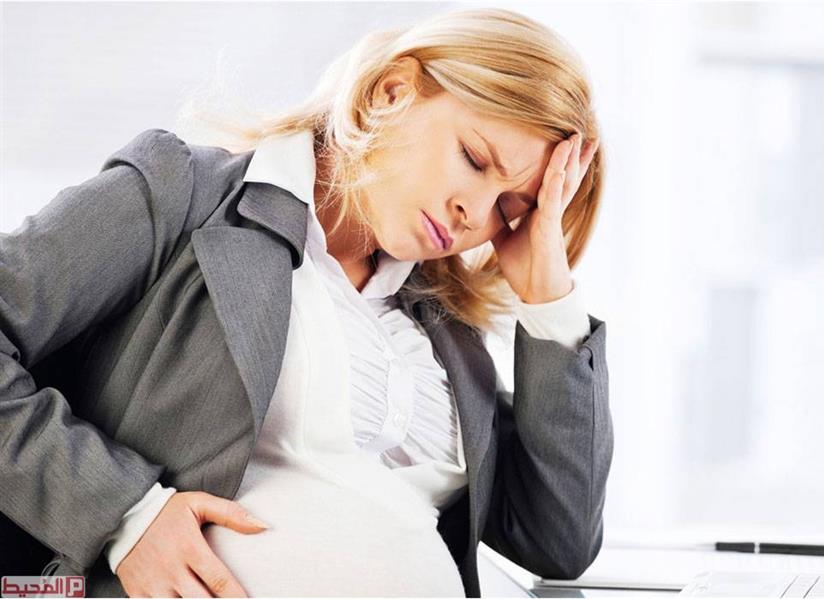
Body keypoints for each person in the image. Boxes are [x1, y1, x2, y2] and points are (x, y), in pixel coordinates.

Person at [0, 7, 611, 597]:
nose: (475, 214)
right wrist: (126, 514)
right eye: (474, 160)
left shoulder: (448, 334)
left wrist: (549, 301)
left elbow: (556, 542)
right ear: (393, 92)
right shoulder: (183, 193)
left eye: (508, 208)